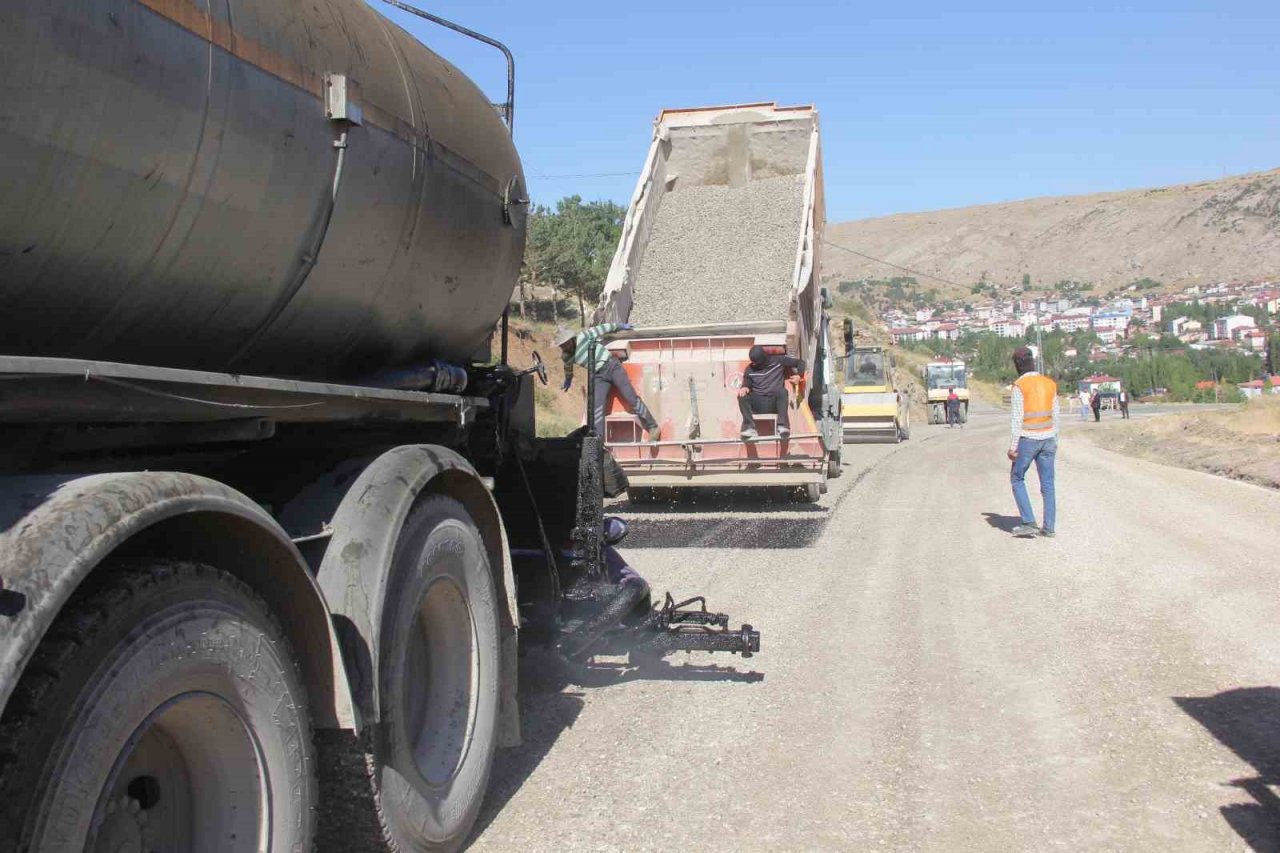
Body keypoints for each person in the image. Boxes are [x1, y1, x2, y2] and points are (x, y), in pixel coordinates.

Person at [557, 323, 660, 442]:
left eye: (566, 344)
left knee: (631, 397)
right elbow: (568, 368)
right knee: (596, 408)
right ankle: (598, 441)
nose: (566, 347)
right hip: (597, 376)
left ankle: (653, 426)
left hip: (611, 366)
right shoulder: (566, 357)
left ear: (571, 339)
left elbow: (602, 329)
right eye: (562, 346)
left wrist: (619, 326)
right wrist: (568, 380)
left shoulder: (583, 336)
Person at [1007, 346, 1058, 538]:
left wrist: (1013, 447)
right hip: (1049, 439)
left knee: (1017, 478)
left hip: (1028, 439)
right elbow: (1056, 415)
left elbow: (1017, 418)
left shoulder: (1019, 386)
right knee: (1048, 483)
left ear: (1017, 365)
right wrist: (1055, 439)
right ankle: (1049, 527)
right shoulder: (1049, 383)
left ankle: (1028, 522)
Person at [738, 345, 806, 440]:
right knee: (742, 395)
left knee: (783, 391)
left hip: (774, 403)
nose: (754, 364)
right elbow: (747, 383)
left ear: (764, 358)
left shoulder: (778, 361)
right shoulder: (750, 369)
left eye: (757, 363)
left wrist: (799, 376)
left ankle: (782, 426)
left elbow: (800, 362)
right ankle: (749, 427)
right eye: (753, 362)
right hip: (758, 404)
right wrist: (744, 387)